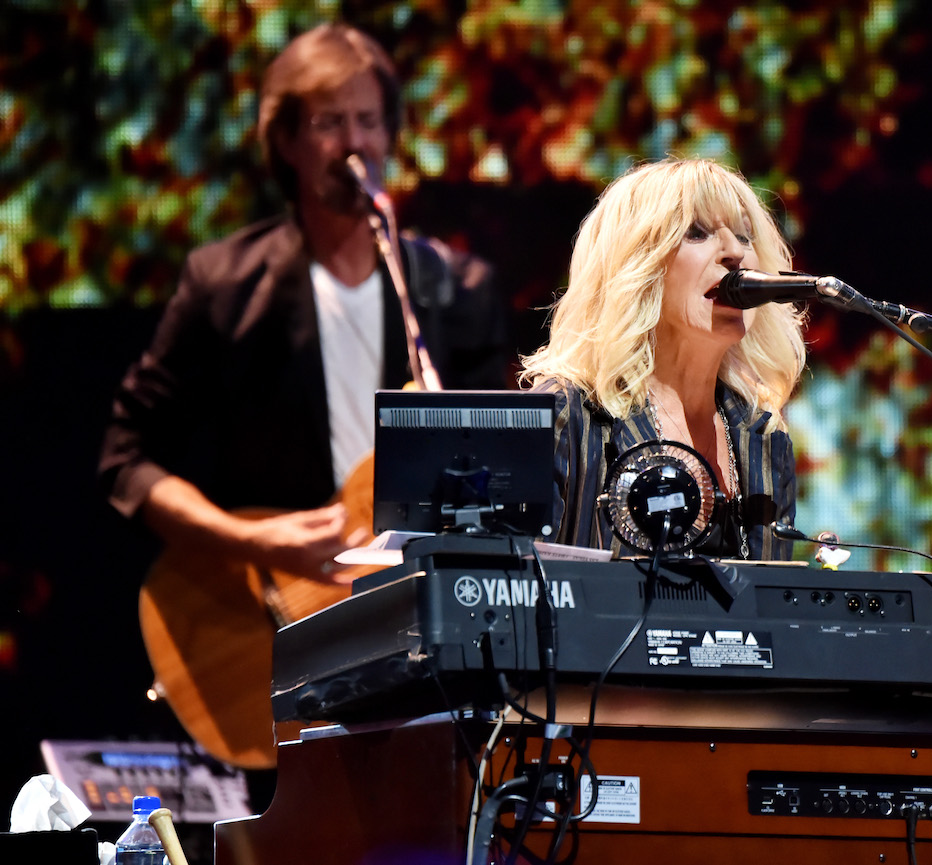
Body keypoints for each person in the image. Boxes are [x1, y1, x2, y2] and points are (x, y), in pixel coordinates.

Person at [96, 23, 511, 780]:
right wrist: (250, 542)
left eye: (367, 120)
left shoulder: (456, 294)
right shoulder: (225, 286)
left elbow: (515, 480)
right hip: (274, 622)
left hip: (421, 644)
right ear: (285, 141)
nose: (354, 142)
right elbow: (126, 459)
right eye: (327, 122)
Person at [518, 158, 807, 560]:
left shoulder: (762, 436)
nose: (734, 253)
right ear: (637, 265)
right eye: (697, 232)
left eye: (744, 235)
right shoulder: (568, 415)